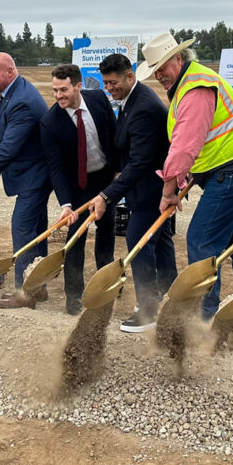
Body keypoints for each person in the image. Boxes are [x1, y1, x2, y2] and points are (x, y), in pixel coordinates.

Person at [139, 32, 233, 329]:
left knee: (201, 239)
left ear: (178, 59)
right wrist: (190, 178)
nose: (159, 75)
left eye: (163, 66)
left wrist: (168, 191)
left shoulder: (196, 88)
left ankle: (205, 315)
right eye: (155, 69)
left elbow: (184, 147)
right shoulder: (188, 82)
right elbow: (202, 144)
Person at [2, 64, 117, 312]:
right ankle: (73, 299)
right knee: (75, 240)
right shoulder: (50, 122)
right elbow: (56, 168)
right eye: (54, 90)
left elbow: (114, 136)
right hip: (78, 185)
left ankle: (107, 285)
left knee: (106, 232)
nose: (58, 96)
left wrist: (118, 173)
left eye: (63, 89)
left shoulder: (98, 100)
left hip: (105, 180)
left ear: (78, 86)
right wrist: (66, 204)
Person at [89, 54, 176, 332]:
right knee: (160, 242)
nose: (109, 88)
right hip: (148, 188)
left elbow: (140, 162)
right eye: (105, 83)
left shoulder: (143, 108)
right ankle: (171, 302)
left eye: (113, 82)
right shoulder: (131, 101)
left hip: (151, 190)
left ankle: (149, 310)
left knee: (138, 241)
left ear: (130, 76)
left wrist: (106, 196)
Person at [0, 52, 51, 293]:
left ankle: (25, 290)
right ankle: (38, 286)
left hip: (34, 174)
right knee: (36, 229)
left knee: (22, 228)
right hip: (31, 172)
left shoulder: (22, 101)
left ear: (10, 71)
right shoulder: (13, 93)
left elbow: (9, 147)